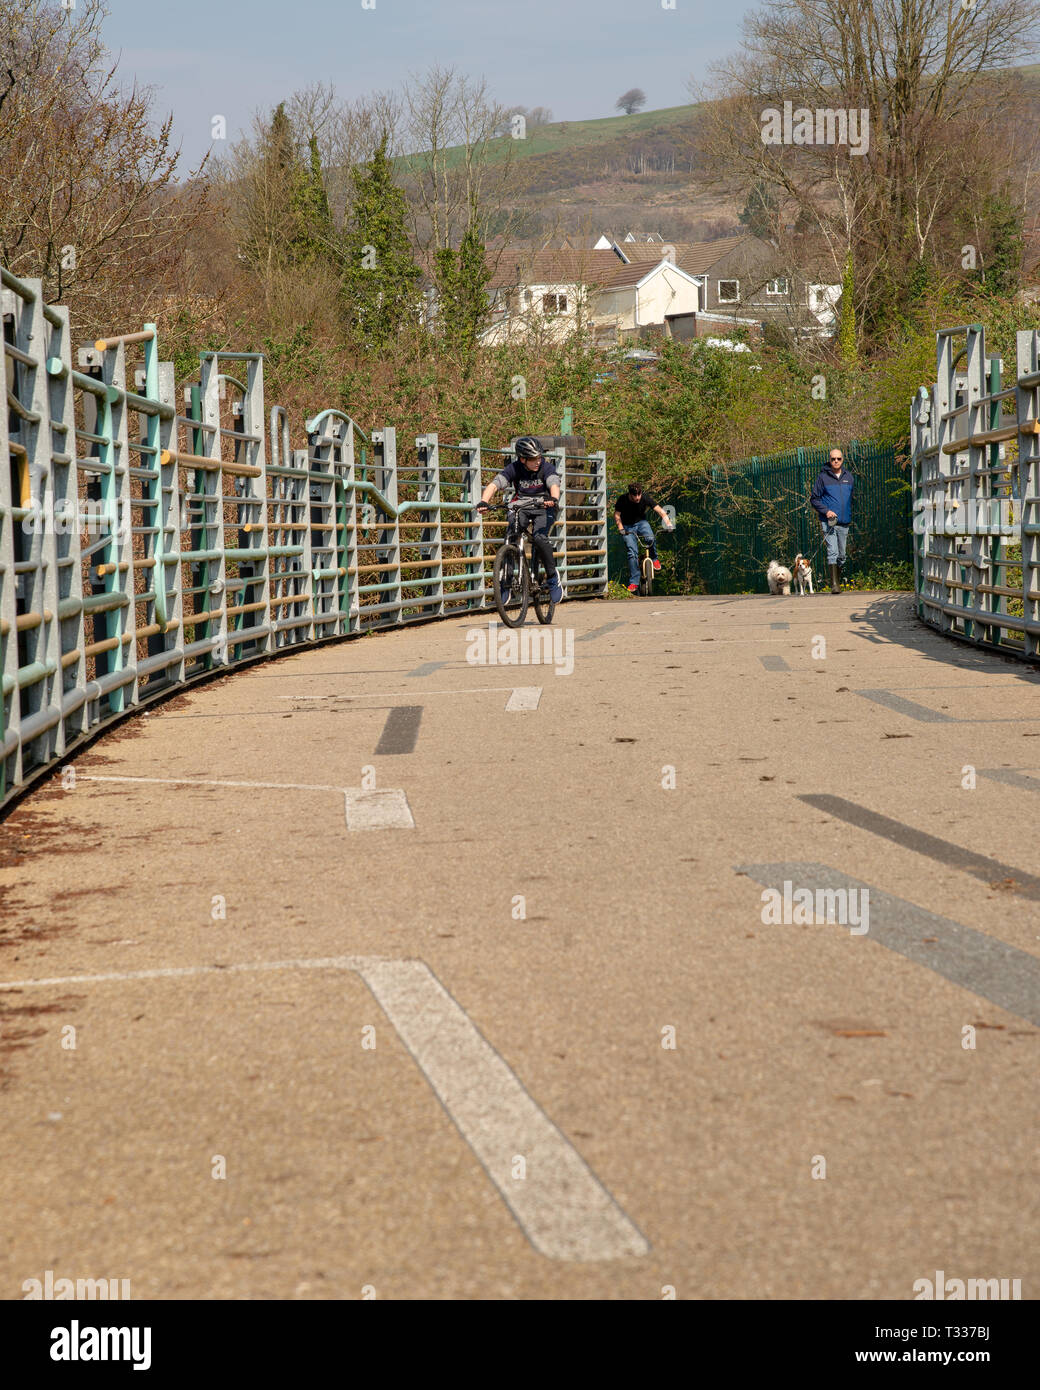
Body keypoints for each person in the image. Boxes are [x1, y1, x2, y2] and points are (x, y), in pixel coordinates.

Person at [477, 436, 564, 604]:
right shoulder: (514, 468)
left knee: (540, 538)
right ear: (522, 459)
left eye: (539, 457)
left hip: (544, 506)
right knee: (511, 536)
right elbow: (495, 484)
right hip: (521, 506)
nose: (537, 461)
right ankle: (506, 581)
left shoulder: (546, 467)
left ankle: (553, 577)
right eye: (533, 459)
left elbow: (554, 483)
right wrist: (484, 501)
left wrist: (553, 499)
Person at [614, 482, 674, 592]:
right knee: (632, 553)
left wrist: (669, 524)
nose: (637, 498)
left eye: (639, 495)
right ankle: (634, 582)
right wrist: (621, 528)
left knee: (650, 538)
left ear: (641, 493)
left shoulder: (645, 498)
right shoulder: (622, 500)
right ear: (630, 494)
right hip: (627, 527)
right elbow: (617, 515)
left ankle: (654, 559)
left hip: (641, 523)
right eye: (634, 495)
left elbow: (661, 511)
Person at [810, 447, 854, 593]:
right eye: (833, 459)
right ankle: (834, 585)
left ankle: (838, 580)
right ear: (829, 460)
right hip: (828, 521)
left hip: (844, 521)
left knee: (842, 556)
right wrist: (826, 511)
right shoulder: (823, 478)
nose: (836, 461)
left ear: (842, 460)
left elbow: (850, 498)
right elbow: (814, 499)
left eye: (838, 459)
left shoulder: (849, 476)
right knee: (832, 552)